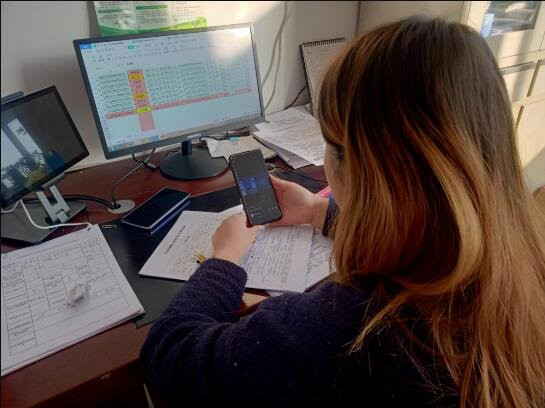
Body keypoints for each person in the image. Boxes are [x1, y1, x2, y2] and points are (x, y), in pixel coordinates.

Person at [141, 17, 545, 406]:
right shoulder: (526, 262)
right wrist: (320, 212)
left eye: (329, 142)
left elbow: (171, 354)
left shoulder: (344, 331)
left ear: (359, 170)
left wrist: (225, 259)